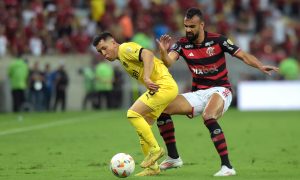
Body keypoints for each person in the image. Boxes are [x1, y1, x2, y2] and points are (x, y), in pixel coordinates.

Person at [155, 7, 279, 176]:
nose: (188, 30)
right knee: (161, 108)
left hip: (221, 90)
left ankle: (227, 167)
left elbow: (242, 55)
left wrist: (259, 65)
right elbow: (168, 62)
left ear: (202, 25)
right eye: (186, 26)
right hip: (199, 93)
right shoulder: (182, 44)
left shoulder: (218, 40)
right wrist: (163, 52)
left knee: (208, 116)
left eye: (192, 26)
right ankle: (173, 157)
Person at [92, 32, 178, 176]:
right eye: (100, 51)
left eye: (104, 48)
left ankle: (156, 150)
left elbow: (148, 55)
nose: (104, 53)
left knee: (132, 113)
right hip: (163, 87)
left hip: (163, 86)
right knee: (144, 128)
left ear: (113, 42)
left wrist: (146, 77)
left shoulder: (125, 49)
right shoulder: (122, 58)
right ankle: (153, 168)